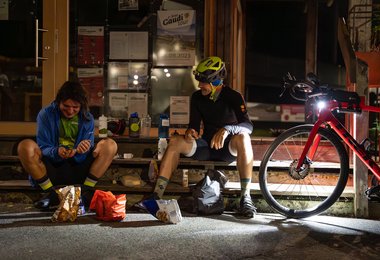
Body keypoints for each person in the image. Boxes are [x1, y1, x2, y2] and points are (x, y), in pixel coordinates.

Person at [150, 56, 256, 218]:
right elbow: (194, 124)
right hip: (206, 146)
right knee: (176, 141)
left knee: (244, 138)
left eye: (203, 82)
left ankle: (245, 198)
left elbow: (248, 126)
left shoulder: (233, 96)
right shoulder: (197, 97)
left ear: (215, 81)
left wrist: (227, 129)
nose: (199, 85)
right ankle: (156, 196)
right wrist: (190, 132)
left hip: (228, 149)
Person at [17, 81, 118, 209]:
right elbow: (43, 147)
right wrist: (56, 151)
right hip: (53, 166)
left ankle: (84, 192)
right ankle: (51, 194)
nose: (70, 111)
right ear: (59, 102)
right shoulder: (45, 114)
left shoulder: (87, 117)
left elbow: (89, 148)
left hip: (78, 166)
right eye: (66, 106)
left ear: (81, 105)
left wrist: (82, 150)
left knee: (110, 144)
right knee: (25, 146)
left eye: (75, 107)